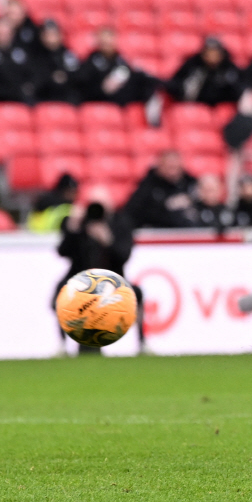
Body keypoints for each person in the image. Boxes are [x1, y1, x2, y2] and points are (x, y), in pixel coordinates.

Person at [55, 193, 140, 352]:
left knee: (136, 293)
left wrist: (108, 240)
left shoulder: (120, 224)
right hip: (80, 279)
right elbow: (62, 251)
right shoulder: (80, 225)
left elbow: (123, 256)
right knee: (62, 289)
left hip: (113, 280)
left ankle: (141, 344)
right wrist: (73, 228)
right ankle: (63, 346)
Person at [76, 27, 162, 107]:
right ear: (98, 42)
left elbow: (129, 74)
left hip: (121, 96)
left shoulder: (120, 59)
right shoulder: (91, 59)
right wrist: (103, 86)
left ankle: (164, 86)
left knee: (142, 78)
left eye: (109, 41)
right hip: (100, 97)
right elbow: (84, 82)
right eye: (104, 42)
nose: (107, 43)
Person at [123, 150, 197, 229]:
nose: (173, 172)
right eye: (169, 167)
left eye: (176, 168)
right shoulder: (148, 185)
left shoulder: (191, 184)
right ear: (160, 166)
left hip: (186, 233)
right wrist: (167, 206)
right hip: (156, 232)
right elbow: (134, 211)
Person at [167, 36, 245, 106]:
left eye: (215, 53)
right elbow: (176, 84)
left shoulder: (228, 67)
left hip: (223, 105)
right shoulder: (193, 64)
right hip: (195, 104)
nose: (212, 56)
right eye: (209, 52)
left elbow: (241, 87)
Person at [0, 18, 40, 104]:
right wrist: (13, 92)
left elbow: (34, 74)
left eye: (5, 33)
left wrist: (29, 87)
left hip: (25, 100)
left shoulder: (22, 53)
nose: (2, 36)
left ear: (12, 33)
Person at [32, 20, 83, 104]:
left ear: (60, 35)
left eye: (53, 34)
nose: (51, 38)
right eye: (47, 34)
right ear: (42, 36)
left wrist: (64, 77)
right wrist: (51, 78)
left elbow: (77, 77)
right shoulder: (36, 56)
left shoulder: (68, 55)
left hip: (66, 99)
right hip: (43, 98)